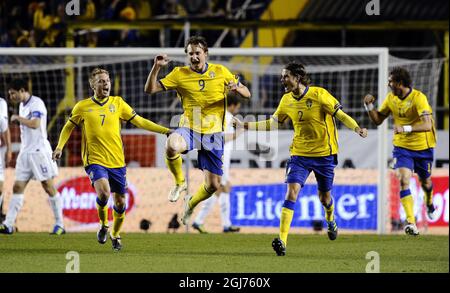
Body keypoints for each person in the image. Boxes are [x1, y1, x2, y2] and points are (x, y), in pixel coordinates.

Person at [234, 62, 368, 256]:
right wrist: (246, 126)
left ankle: (330, 219)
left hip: (324, 155)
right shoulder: (286, 100)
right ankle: (282, 240)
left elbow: (340, 115)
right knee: (292, 192)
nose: (282, 80)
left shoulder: (319, 94)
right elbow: (273, 123)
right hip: (299, 154)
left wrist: (357, 128)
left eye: (285, 76)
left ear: (297, 78)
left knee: (325, 198)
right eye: (282, 76)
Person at [53, 68, 171, 251]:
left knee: (120, 203)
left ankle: (115, 234)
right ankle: (103, 224)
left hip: (117, 161)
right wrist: (59, 147)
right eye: (100, 81)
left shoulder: (118, 103)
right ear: (92, 85)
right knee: (104, 193)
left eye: (107, 80)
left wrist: (165, 131)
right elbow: (68, 127)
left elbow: (139, 121)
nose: (105, 84)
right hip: (95, 160)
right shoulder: (82, 107)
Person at [144, 35, 251, 225]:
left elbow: (247, 93)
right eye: (190, 53)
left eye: (197, 53)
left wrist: (237, 88)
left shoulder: (221, 72)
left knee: (213, 186)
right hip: (189, 127)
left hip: (213, 134)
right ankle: (179, 182)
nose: (194, 57)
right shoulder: (179, 74)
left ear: (206, 54)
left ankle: (191, 203)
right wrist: (157, 67)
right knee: (171, 145)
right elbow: (150, 89)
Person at [364, 67, 436, 236]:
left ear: (399, 83)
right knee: (403, 179)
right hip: (402, 148)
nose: (388, 85)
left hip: (423, 148)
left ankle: (430, 202)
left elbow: (427, 125)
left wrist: (406, 128)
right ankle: (411, 222)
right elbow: (378, 120)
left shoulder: (418, 98)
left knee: (426, 183)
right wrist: (369, 106)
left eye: (391, 82)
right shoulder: (391, 99)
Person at [0, 78, 65, 235]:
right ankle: (8, 224)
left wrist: (18, 119)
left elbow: (36, 124)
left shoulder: (37, 103)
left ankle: (60, 224)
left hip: (38, 152)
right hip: (25, 153)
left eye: (13, 93)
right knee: (17, 187)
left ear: (22, 90)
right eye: (9, 94)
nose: (11, 97)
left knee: (48, 187)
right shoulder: (23, 105)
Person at [191, 94, 244, 233]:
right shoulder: (225, 117)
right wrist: (239, 132)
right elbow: (219, 138)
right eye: (237, 107)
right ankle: (218, 223)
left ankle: (202, 221)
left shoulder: (223, 115)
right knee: (222, 187)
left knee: (221, 188)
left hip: (220, 158)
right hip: (221, 158)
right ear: (232, 105)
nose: (237, 110)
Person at [0, 96, 12, 222]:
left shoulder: (1, 103)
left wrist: (9, 149)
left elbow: (5, 128)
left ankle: (0, 215)